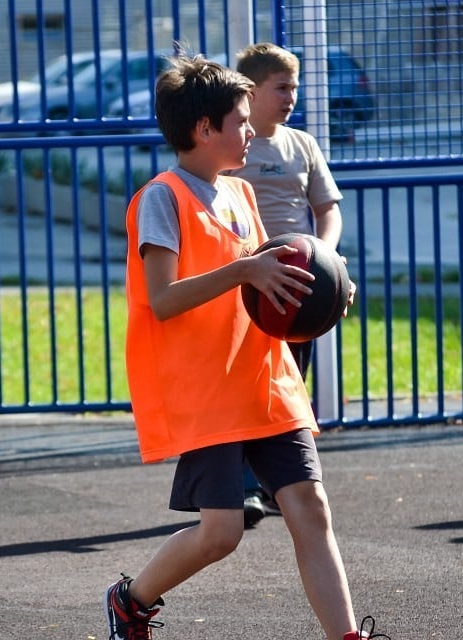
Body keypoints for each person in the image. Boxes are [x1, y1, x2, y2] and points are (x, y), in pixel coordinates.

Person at [105, 52, 387, 640]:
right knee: (221, 534)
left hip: (263, 376)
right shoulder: (162, 199)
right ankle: (131, 601)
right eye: (239, 120)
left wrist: (323, 285)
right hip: (207, 388)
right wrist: (245, 272)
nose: (251, 129)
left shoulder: (239, 194)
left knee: (310, 507)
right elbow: (163, 299)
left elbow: (265, 285)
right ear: (204, 129)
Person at [225, 42, 345, 528]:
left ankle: (281, 483)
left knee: (289, 383)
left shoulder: (303, 144)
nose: (292, 96)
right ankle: (245, 486)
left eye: (295, 87)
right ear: (251, 92)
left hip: (299, 285)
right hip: (249, 283)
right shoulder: (235, 147)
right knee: (243, 386)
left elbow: (327, 209)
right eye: (282, 87)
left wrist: (327, 258)